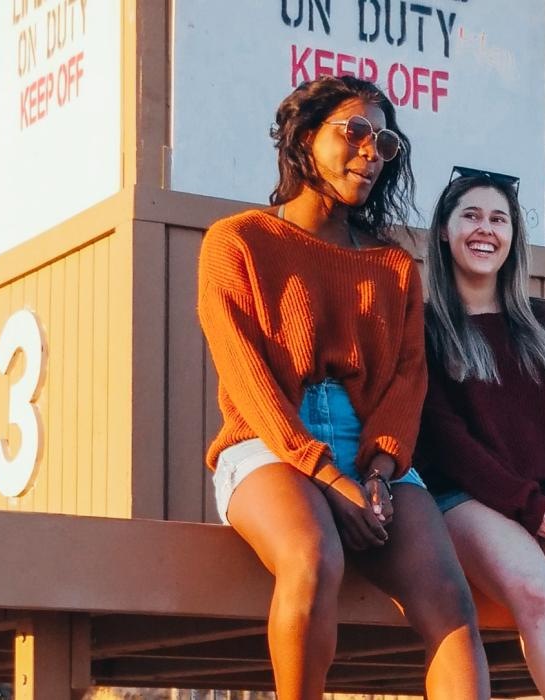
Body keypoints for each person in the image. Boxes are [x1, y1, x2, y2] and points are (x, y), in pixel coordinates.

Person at [196, 75, 489, 700]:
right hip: (268, 444)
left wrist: (378, 475)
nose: (370, 152)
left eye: (383, 143)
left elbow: (408, 380)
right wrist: (327, 477)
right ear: (305, 137)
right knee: (314, 556)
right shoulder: (238, 241)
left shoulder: (392, 266)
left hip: (372, 453)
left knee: (450, 599)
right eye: (354, 132)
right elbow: (248, 380)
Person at [416, 171, 545, 699]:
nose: (486, 230)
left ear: (512, 237)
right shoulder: (425, 326)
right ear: (444, 231)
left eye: (498, 219)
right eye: (471, 216)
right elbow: (444, 440)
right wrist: (529, 506)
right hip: (469, 498)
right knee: (538, 597)